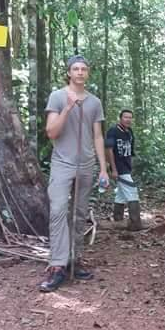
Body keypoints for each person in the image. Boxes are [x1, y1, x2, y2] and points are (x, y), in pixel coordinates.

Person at [39, 55, 109, 292]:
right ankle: (57, 265)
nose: (80, 72)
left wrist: (103, 168)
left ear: (87, 73)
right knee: (58, 210)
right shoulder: (58, 96)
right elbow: (51, 132)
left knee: (79, 214)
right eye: (76, 69)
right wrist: (68, 108)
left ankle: (74, 258)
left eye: (83, 69)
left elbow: (97, 136)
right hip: (62, 163)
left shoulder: (94, 102)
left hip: (86, 164)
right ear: (69, 73)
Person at [105, 109, 143, 231]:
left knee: (121, 195)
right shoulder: (113, 131)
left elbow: (130, 152)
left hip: (126, 167)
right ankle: (135, 223)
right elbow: (109, 150)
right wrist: (113, 169)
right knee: (132, 192)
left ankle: (118, 220)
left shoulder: (129, 132)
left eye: (130, 117)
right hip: (118, 167)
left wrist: (131, 167)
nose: (128, 120)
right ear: (120, 118)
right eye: (126, 117)